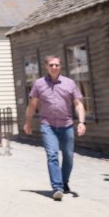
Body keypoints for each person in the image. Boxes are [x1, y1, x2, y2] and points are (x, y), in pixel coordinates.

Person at [23, 55, 86, 201]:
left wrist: (82, 122)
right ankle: (57, 187)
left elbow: (78, 104)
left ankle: (64, 183)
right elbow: (32, 105)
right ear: (46, 67)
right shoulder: (39, 84)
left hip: (67, 125)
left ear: (60, 66)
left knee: (68, 156)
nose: (54, 67)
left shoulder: (69, 83)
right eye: (51, 65)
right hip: (48, 125)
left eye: (56, 65)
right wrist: (28, 122)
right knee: (52, 155)